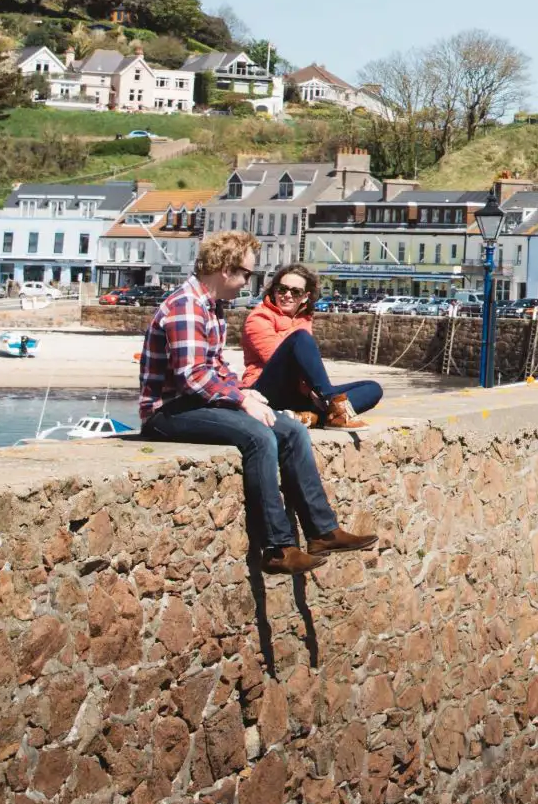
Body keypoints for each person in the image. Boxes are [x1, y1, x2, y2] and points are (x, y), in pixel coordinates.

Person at [139, 232, 383, 577]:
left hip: (199, 403)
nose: (248, 284)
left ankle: (322, 532)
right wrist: (241, 400)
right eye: (246, 274)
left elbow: (216, 368)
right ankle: (277, 547)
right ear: (225, 269)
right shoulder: (186, 306)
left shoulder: (211, 307)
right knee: (259, 437)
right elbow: (192, 377)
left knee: (293, 430)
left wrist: (244, 392)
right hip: (167, 412)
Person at [244, 266, 381, 428]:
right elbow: (275, 356)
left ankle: (310, 417)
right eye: (282, 289)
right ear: (274, 291)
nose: (287, 295)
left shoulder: (304, 318)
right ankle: (330, 405)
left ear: (304, 297)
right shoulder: (259, 317)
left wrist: (314, 390)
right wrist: (316, 391)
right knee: (300, 338)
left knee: (372, 388)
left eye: (295, 292)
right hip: (266, 390)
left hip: (299, 393)